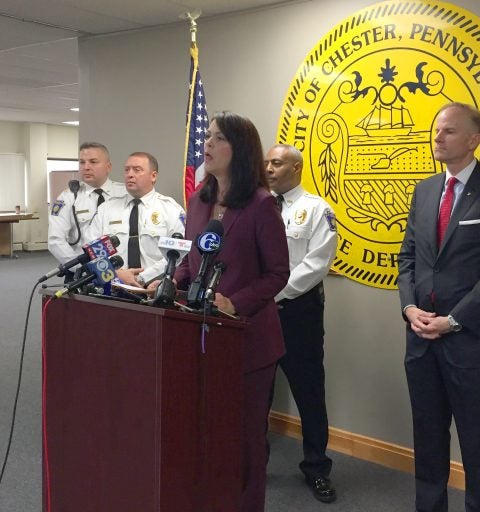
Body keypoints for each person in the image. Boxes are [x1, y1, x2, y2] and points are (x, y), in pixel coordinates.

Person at [397, 102, 480, 512]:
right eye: (436, 130)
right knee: (428, 438)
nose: (438, 137)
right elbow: (407, 259)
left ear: (474, 140)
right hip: (420, 340)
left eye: (449, 131)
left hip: (470, 343)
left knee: (476, 443)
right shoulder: (425, 190)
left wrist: (453, 321)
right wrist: (409, 309)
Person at [175, 112, 289, 512]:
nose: (206, 143)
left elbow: (278, 273)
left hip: (249, 344)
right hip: (200, 338)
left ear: (238, 149)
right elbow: (192, 260)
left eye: (217, 137)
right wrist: (170, 284)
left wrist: (234, 302)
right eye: (207, 135)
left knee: (244, 442)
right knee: (207, 435)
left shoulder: (260, 205)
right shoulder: (198, 200)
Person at [264, 144, 338, 504]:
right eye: (266, 163)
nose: (269, 169)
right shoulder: (259, 208)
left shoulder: (317, 209)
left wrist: (271, 295)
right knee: (256, 394)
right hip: (257, 313)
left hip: (298, 313)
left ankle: (316, 469)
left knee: (309, 394)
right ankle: (252, 463)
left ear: (296, 167)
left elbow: (316, 264)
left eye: (276, 163)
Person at [93, 152, 185, 289]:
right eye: (127, 170)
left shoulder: (172, 210)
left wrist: (142, 278)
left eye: (137, 170)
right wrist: (116, 274)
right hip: (112, 286)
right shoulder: (106, 209)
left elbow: (177, 255)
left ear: (153, 176)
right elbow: (94, 252)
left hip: (153, 288)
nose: (130, 174)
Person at [48, 142, 126, 264]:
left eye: (93, 162)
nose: (86, 167)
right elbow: (55, 241)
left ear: (108, 166)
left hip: (121, 269)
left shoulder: (125, 194)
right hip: (84, 273)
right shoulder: (68, 197)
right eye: (82, 162)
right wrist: (83, 268)